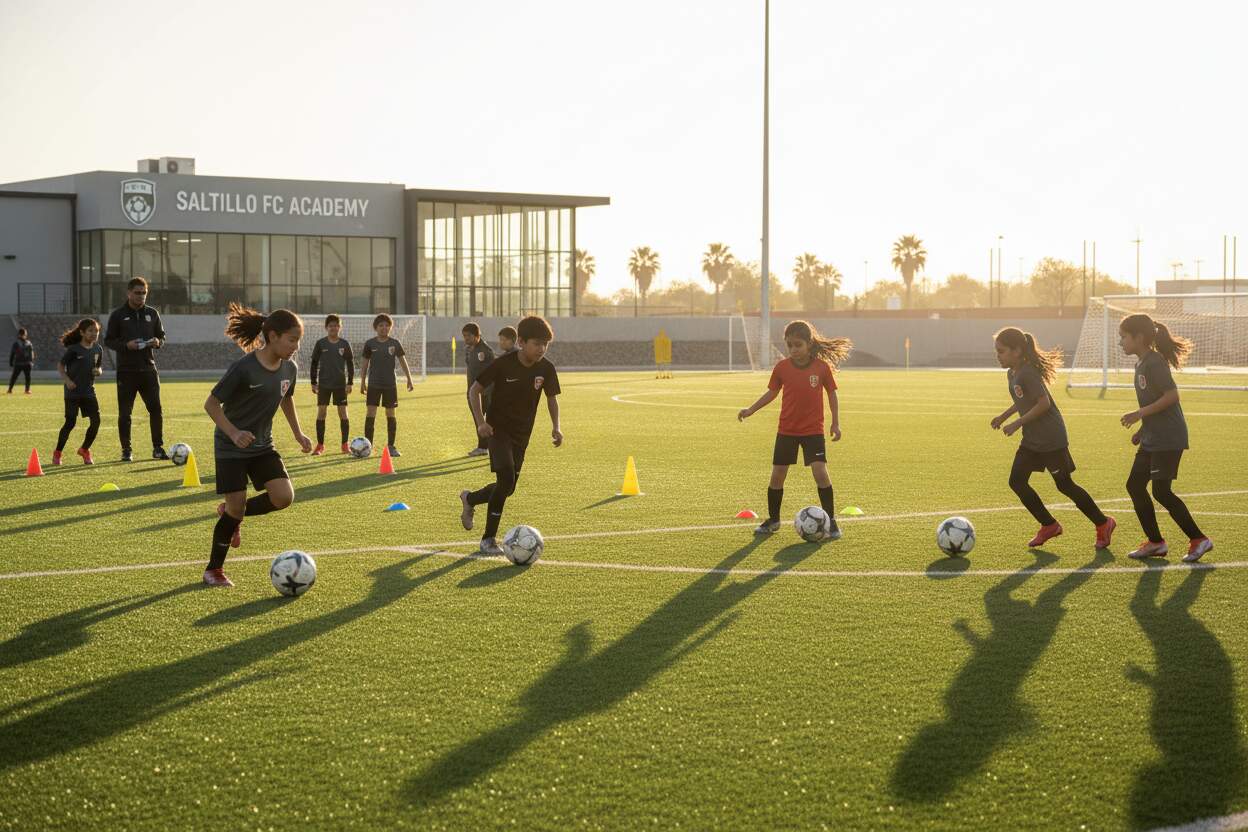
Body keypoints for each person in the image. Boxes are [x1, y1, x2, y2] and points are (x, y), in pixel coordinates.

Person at [202, 303, 311, 587]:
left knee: (283, 497)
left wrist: (299, 434)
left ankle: (230, 513)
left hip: (263, 445)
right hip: (231, 447)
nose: (295, 346)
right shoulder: (244, 368)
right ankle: (213, 570)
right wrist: (234, 432)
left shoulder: (290, 368)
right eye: (292, 339)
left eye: (298, 340)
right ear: (272, 336)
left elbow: (286, 398)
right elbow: (211, 404)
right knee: (236, 508)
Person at [990, 327, 1115, 548]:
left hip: (1050, 439)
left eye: (1001, 351)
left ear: (1017, 351)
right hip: (1032, 440)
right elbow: (1023, 400)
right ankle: (1049, 525)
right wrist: (1003, 416)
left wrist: (1017, 423)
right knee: (1017, 481)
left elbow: (1043, 403)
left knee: (1065, 485)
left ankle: (1103, 523)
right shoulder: (1012, 373)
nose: (997, 356)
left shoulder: (1028, 372)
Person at [459, 315, 562, 554]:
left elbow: (551, 399)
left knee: (508, 487)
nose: (541, 349)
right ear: (522, 342)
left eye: (545, 344)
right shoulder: (503, 364)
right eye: (537, 343)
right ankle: (487, 540)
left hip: (522, 435)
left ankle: (470, 499)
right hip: (497, 430)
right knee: (505, 480)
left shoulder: (546, 368)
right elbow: (475, 391)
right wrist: (481, 423)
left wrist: (556, 426)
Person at [738, 320, 851, 538]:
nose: (793, 350)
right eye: (789, 345)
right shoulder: (782, 368)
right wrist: (751, 410)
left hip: (813, 431)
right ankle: (773, 520)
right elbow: (771, 393)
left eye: (798, 345)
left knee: (820, 472)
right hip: (787, 430)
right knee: (778, 475)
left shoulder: (821, 368)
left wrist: (835, 422)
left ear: (809, 344)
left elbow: (832, 393)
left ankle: (831, 520)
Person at [1118, 313, 1213, 563]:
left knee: (1161, 491)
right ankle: (1156, 543)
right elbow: (1154, 400)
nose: (1121, 343)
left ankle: (1198, 539)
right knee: (1135, 486)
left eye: (1124, 337)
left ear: (1139, 337)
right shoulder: (1141, 363)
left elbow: (1171, 396)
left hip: (1168, 437)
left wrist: (1139, 414)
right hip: (1153, 436)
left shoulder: (1155, 362)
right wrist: (1142, 429)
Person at [103, 277, 168, 461]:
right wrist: (126, 345)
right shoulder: (118, 315)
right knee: (125, 413)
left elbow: (162, 336)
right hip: (126, 372)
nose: (141, 296)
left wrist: (158, 342)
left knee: (156, 409)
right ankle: (126, 450)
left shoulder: (153, 314)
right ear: (129, 293)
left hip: (148, 370)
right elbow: (109, 341)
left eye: (144, 293)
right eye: (137, 293)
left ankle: (158, 448)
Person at [359, 314, 415, 458]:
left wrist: (409, 378)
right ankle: (368, 447)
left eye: (386, 325)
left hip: (390, 384)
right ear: (376, 328)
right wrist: (363, 381)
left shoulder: (395, 343)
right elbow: (364, 364)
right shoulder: (370, 344)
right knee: (371, 413)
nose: (384, 328)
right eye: (381, 325)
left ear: (390, 327)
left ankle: (391, 446)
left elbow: (403, 361)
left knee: (390, 414)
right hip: (373, 384)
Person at [53, 319, 103, 466]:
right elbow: (61, 366)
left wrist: (98, 371)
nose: (94, 334)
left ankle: (84, 449)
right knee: (70, 422)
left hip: (89, 391)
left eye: (96, 331)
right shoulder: (74, 349)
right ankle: (57, 453)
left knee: (96, 422)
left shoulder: (98, 349)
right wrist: (67, 381)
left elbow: (99, 367)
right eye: (90, 331)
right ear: (82, 333)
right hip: (73, 393)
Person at [309, 313, 354, 455]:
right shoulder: (321, 343)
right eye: (330, 326)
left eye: (335, 325)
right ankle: (320, 445)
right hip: (324, 385)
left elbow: (350, 364)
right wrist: (313, 382)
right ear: (326, 328)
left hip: (340, 385)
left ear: (339, 327)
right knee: (322, 413)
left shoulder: (344, 344)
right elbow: (314, 363)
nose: (333, 328)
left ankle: (345, 444)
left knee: (343, 413)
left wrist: (350, 382)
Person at [462, 322, 494, 457]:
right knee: (478, 419)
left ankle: (487, 447)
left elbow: (494, 372)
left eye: (468, 336)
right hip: (472, 392)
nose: (465, 339)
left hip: (486, 392)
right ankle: (483, 447)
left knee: (489, 420)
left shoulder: (486, 351)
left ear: (476, 335)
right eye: (464, 336)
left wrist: (488, 391)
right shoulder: (469, 350)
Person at [7, 327, 34, 394]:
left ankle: (10, 390)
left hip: (19, 363)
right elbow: (31, 353)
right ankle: (27, 390)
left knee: (14, 377)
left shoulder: (16, 343)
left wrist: (11, 362)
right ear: (25, 334)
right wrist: (31, 361)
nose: (23, 335)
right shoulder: (28, 343)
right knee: (27, 377)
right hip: (25, 363)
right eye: (24, 334)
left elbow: (12, 353)